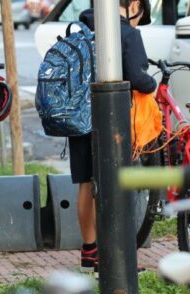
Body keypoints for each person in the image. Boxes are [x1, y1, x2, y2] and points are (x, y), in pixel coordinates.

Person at [73, 0, 155, 274]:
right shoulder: (128, 34)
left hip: (78, 115)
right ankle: (115, 258)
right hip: (110, 118)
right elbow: (138, 78)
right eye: (140, 15)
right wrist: (152, 81)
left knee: (86, 181)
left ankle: (89, 252)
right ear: (133, 5)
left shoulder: (80, 25)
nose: (137, 21)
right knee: (114, 182)